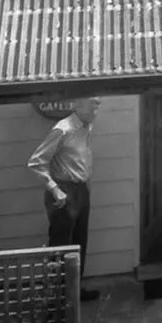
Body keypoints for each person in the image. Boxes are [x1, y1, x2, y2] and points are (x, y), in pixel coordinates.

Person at [27, 97, 100, 297]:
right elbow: (36, 162)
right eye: (92, 103)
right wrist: (55, 189)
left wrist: (84, 189)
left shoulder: (87, 127)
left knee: (79, 243)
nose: (96, 107)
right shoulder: (63, 129)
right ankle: (55, 300)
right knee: (60, 248)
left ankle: (74, 293)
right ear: (77, 105)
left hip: (81, 191)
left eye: (98, 104)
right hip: (63, 193)